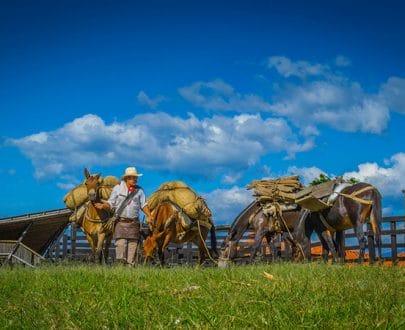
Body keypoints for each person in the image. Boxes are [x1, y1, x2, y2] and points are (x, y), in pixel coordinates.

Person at [95, 166, 153, 265]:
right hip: (120, 222)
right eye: (132, 178)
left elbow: (143, 204)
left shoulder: (139, 191)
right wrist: (103, 206)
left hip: (134, 222)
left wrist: (149, 215)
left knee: (133, 245)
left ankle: (130, 266)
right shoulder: (117, 189)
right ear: (126, 178)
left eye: (135, 178)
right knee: (120, 244)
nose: (135, 180)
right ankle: (121, 266)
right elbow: (111, 203)